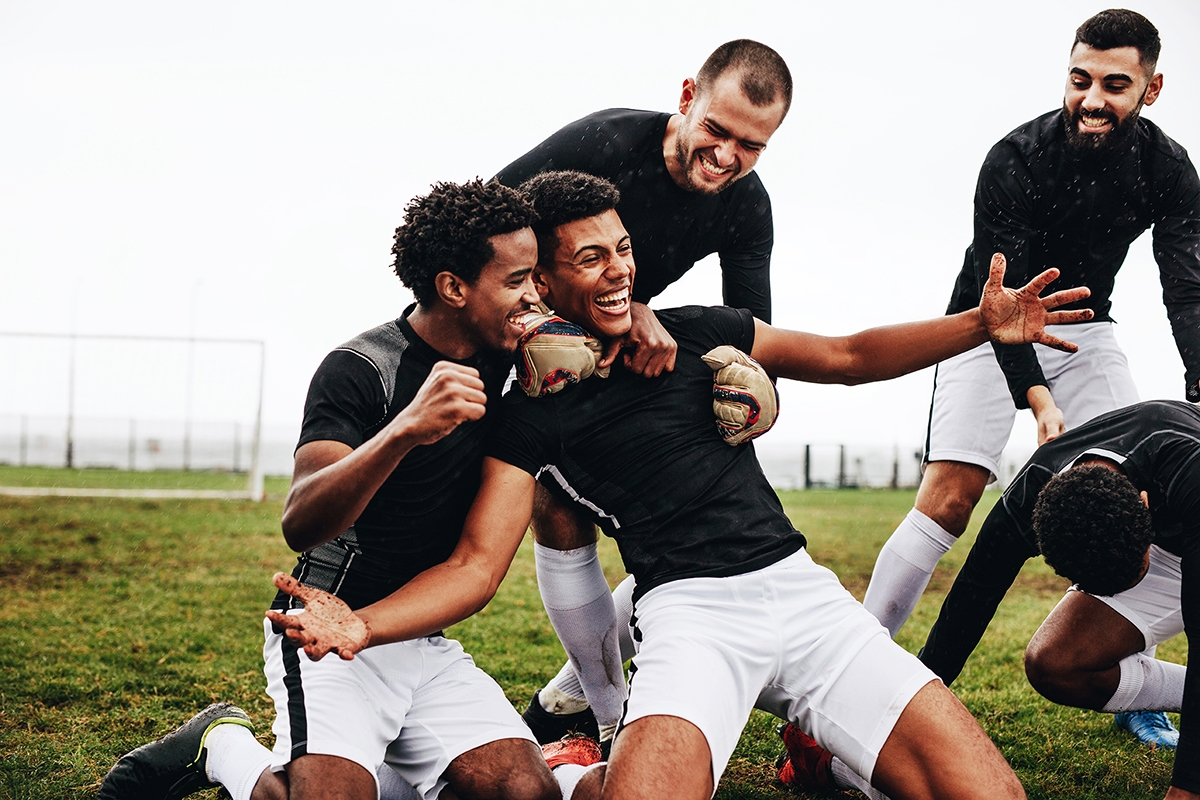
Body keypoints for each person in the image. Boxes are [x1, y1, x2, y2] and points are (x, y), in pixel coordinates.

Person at [268, 170, 1095, 800]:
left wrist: (980, 328)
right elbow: (479, 567)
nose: (619, 270)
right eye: (589, 258)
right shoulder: (525, 416)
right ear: (544, 285)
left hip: (804, 597)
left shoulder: (697, 330)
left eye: (623, 248)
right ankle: (582, 772)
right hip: (690, 618)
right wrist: (361, 626)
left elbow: (846, 356)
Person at [97, 180, 576, 800]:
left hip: (409, 636)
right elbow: (301, 520)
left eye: (536, 277)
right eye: (517, 280)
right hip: (322, 631)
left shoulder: (517, 361)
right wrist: (404, 431)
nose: (534, 296)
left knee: (526, 794)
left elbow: (478, 568)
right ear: (454, 287)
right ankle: (225, 748)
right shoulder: (361, 368)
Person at [859, 9, 1200, 744]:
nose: (1093, 98)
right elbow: (1004, 304)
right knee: (950, 498)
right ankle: (855, 661)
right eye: (1081, 80)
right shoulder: (1015, 158)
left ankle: (1129, 675)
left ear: (1152, 87)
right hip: (986, 327)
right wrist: (1038, 403)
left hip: (1085, 331)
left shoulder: (1168, 168)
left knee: (1117, 506)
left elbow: (1186, 288)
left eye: (1116, 84)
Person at [494, 37, 792, 748]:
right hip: (524, 333)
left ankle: (573, 695)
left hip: (619, 337)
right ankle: (604, 713)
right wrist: (575, 317)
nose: (726, 157)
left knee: (687, 512)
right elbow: (482, 233)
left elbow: (752, 328)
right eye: (716, 131)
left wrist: (749, 389)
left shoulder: (747, 205)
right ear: (687, 96)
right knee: (559, 507)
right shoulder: (602, 141)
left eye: (750, 145)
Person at [911, 399, 1197, 800]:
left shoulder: (1188, 469)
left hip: (1193, 510)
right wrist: (900, 709)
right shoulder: (1029, 498)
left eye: (1135, 572)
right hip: (1166, 524)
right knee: (1056, 663)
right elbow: (968, 603)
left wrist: (1186, 789)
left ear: (1144, 509)